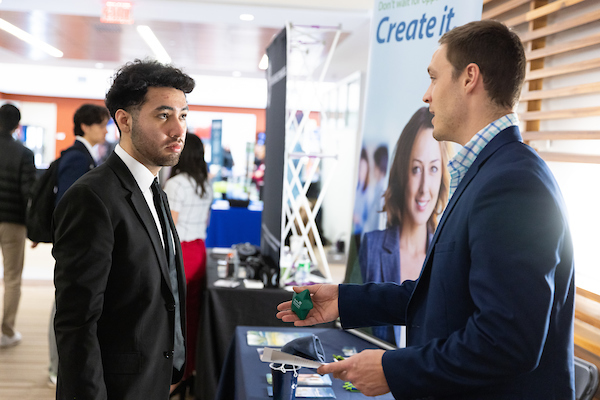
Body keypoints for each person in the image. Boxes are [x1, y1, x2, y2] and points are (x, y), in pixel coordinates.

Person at [277, 20, 575, 399]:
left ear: (469, 78)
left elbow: (507, 340)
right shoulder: (489, 172)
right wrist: (344, 300)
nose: (426, 95)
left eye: (434, 78)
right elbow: (442, 296)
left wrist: (393, 369)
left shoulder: (513, 182)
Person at [52, 59, 195, 399]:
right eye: (163, 115)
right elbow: (77, 323)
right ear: (124, 120)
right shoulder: (93, 197)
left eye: (183, 115)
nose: (178, 129)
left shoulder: (151, 186)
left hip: (150, 378)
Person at [359, 107, 449, 346]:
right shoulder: (371, 247)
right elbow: (355, 337)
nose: (423, 187)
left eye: (433, 169)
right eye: (416, 169)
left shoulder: (450, 258)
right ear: (402, 173)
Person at [47, 103, 110, 385]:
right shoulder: (77, 157)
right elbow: (69, 204)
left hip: (82, 244)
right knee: (65, 304)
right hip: (76, 245)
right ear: (85, 126)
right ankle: (55, 367)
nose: (105, 130)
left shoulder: (87, 155)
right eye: (100, 124)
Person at [163, 133, 213, 395]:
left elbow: (169, 228)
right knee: (191, 314)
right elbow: (204, 222)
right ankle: (189, 370)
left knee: (173, 315)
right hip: (199, 251)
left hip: (180, 251)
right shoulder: (204, 182)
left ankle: (174, 376)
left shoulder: (177, 184)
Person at [0, 103, 36, 348]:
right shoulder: (24, 153)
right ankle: (6, 332)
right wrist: (34, 226)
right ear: (17, 126)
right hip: (13, 222)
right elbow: (28, 193)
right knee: (12, 278)